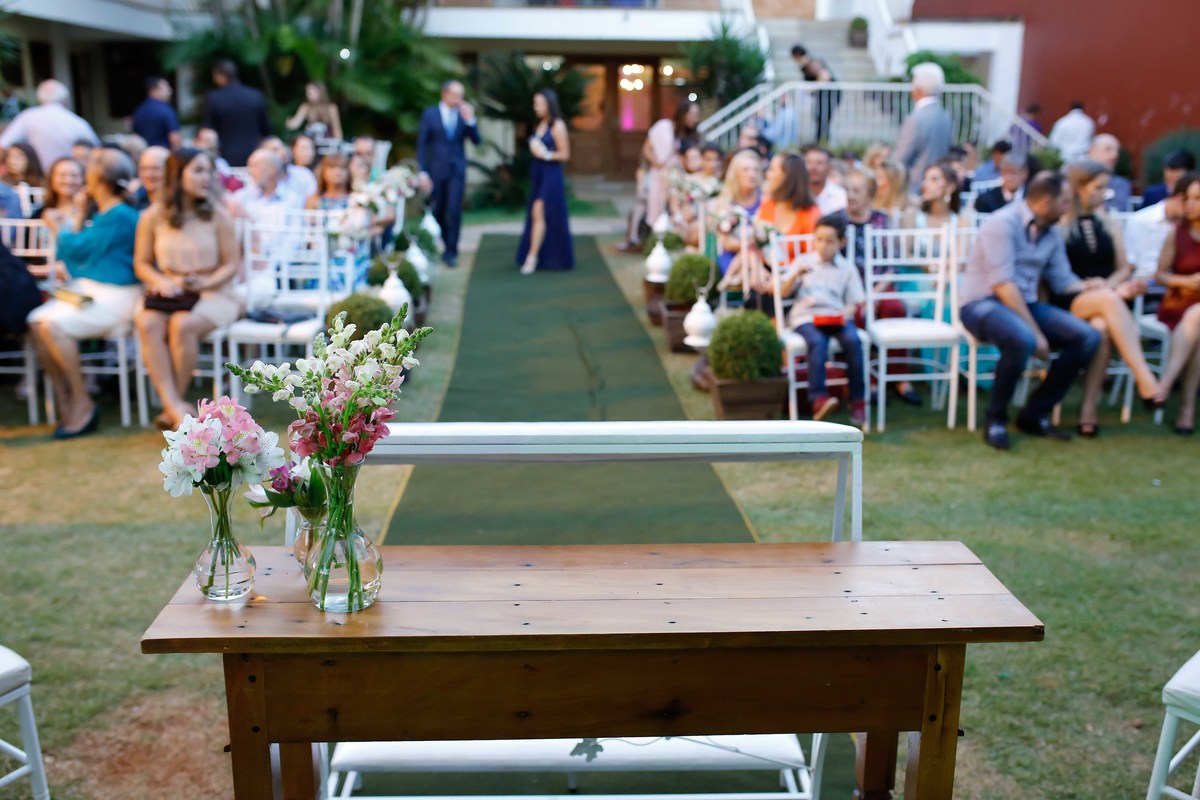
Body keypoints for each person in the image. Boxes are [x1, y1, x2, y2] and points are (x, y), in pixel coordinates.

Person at [958, 171, 1103, 450]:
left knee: (1087, 337)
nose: (1068, 208)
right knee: (1022, 338)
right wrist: (1037, 335)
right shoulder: (1001, 224)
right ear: (1047, 202)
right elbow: (1003, 285)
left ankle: (1034, 413)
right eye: (1065, 202)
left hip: (1024, 304)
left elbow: (1062, 281)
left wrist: (1095, 286)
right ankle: (996, 418)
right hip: (982, 304)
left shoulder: (1052, 232)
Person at [25, 148, 140, 438]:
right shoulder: (105, 212)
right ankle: (66, 399)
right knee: (36, 322)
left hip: (118, 295)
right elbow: (80, 252)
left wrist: (58, 228)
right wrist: (75, 219)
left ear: (98, 178)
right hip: (92, 290)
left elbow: (77, 248)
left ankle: (82, 402)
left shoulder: (120, 214)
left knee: (53, 325)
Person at [134, 148, 241, 431]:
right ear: (176, 175)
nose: (206, 177)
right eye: (197, 170)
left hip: (214, 290)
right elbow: (141, 263)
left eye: (208, 170)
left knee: (182, 324)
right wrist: (159, 281)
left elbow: (231, 264)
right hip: (171, 289)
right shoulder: (153, 216)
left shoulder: (218, 214)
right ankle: (174, 406)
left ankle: (173, 405)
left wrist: (206, 283)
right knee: (147, 322)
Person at [1057, 159, 1163, 436]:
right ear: (1079, 187)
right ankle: (1144, 377)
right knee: (1106, 302)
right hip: (1071, 297)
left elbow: (1124, 266)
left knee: (1102, 329)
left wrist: (1107, 283)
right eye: (1099, 187)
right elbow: (1053, 271)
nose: (1104, 193)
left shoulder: (1109, 220)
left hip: (1107, 298)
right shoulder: (1059, 222)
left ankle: (1088, 408)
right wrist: (1087, 285)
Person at [777, 214, 866, 426]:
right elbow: (781, 293)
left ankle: (858, 400)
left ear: (841, 243)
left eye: (829, 241)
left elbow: (855, 301)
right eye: (818, 239)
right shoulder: (803, 262)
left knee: (853, 341)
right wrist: (795, 274)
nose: (822, 246)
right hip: (806, 317)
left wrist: (846, 313)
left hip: (835, 315)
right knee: (817, 342)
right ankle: (818, 399)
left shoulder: (846, 268)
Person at [722, 152, 819, 309]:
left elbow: (814, 259)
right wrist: (757, 268)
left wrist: (784, 278)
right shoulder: (769, 206)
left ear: (786, 177)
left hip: (797, 282)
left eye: (772, 170)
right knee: (755, 296)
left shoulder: (811, 215)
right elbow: (754, 242)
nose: (767, 174)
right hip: (766, 272)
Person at [1153, 174, 1200, 435]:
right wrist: (1187, 281)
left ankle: (1165, 385)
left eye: (1198, 199)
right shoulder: (1177, 234)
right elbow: (1159, 275)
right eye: (1188, 198)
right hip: (1179, 304)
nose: (1191, 204)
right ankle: (1186, 409)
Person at [621, 101, 701, 252]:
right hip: (659, 174)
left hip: (678, 177)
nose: (695, 118)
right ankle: (642, 241)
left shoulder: (690, 136)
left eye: (697, 115)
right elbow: (647, 149)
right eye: (692, 114)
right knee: (650, 207)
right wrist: (660, 165)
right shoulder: (664, 127)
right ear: (683, 113)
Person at [416, 80, 480, 267]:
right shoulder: (430, 114)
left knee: (454, 210)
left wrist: (470, 121)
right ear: (445, 94)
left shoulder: (463, 114)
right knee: (438, 210)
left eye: (461, 95)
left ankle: (452, 252)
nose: (460, 99)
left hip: (456, 171)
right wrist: (423, 172)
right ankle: (445, 243)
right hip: (436, 170)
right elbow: (423, 144)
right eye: (456, 95)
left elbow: (477, 140)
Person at [516, 89, 573, 275]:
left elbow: (565, 155)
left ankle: (532, 257)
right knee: (538, 214)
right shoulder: (539, 124)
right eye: (535, 103)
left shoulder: (557, 125)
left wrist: (546, 154)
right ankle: (543, 254)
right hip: (538, 173)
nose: (536, 107)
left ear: (549, 104)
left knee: (538, 211)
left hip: (551, 174)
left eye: (539, 103)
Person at [0, 80, 98, 172]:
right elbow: (96, 152)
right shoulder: (78, 122)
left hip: (38, 178)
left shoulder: (28, 116)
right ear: (65, 100)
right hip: (70, 177)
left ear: (39, 99)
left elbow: (3, 146)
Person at [893, 63, 952, 194]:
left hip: (914, 187)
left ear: (917, 89)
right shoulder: (945, 116)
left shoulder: (915, 119)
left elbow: (900, 157)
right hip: (938, 186)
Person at [202, 60, 272, 168]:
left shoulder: (214, 98)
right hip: (254, 155)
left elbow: (209, 131)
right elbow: (266, 130)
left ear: (221, 75)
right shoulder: (255, 95)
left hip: (226, 157)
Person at [713, 149, 764, 279]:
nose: (751, 174)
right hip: (733, 255)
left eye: (755, 170)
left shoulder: (765, 200)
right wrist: (752, 245)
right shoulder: (725, 202)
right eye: (746, 170)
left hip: (761, 255)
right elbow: (726, 243)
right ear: (735, 174)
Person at [1127, 171, 1188, 278]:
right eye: (1195, 199)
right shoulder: (1140, 220)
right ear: (1180, 199)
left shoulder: (1191, 225)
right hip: (1145, 286)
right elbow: (1131, 262)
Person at [227, 149, 301, 224]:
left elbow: (295, 233)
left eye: (255, 166)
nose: (251, 171)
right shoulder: (240, 198)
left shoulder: (293, 199)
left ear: (272, 170)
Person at [791, 44, 839, 144]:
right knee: (819, 117)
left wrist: (812, 88)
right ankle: (820, 140)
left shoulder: (811, 63)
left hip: (829, 94)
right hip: (823, 95)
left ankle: (822, 141)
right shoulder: (805, 65)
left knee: (823, 117)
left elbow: (825, 76)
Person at [261, 135, 317, 206]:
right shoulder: (257, 180)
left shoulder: (304, 175)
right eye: (275, 150)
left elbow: (312, 208)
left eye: (282, 147)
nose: (282, 152)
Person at [131, 76, 182, 151]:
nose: (170, 91)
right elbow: (175, 138)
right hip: (164, 154)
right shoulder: (166, 110)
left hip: (145, 156)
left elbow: (135, 136)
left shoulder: (138, 110)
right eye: (166, 88)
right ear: (153, 90)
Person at [1086, 134, 1132, 212]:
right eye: (1108, 149)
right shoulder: (1075, 180)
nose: (1115, 155)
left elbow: (1117, 209)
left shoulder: (1121, 184)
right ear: (1091, 152)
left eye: (1117, 151)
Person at [32, 158, 83, 222]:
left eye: (74, 176)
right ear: (51, 179)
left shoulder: (90, 213)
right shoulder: (40, 213)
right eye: (62, 175)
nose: (68, 180)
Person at [803, 145, 847, 215]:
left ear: (828, 167)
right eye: (809, 162)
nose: (813, 167)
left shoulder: (841, 196)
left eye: (819, 163)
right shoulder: (796, 194)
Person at [131, 146, 169, 211]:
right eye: (143, 168)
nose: (148, 175)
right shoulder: (133, 200)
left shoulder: (175, 204)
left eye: (155, 169)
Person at [873, 159, 910, 223]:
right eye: (875, 177)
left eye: (880, 177)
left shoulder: (906, 212)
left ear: (893, 182)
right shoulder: (869, 207)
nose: (875, 182)